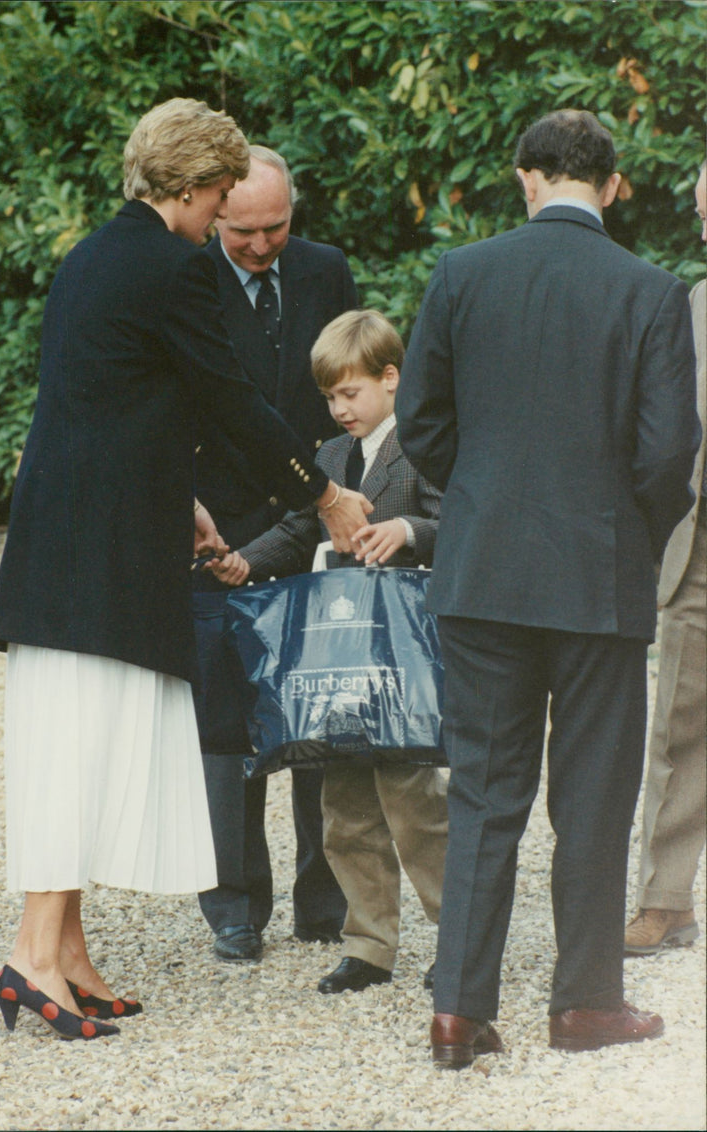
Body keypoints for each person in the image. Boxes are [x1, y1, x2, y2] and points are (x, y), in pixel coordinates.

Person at [0, 98, 371, 1041]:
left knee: (79, 737)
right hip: (101, 556)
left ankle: (68, 955)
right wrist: (323, 496)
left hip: (75, 537)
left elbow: (101, 402)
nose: (220, 219)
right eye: (220, 199)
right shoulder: (171, 268)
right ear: (197, 188)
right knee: (76, 748)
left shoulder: (94, 255)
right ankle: (35, 958)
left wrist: (181, 498)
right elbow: (229, 401)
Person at [396, 109, 700, 1068]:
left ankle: (459, 1012)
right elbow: (668, 452)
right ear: (610, 186)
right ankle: (583, 1005)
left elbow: (421, 424)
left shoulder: (460, 275)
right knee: (596, 795)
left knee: (485, 792)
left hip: (482, 571)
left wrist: (479, 501)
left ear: (526, 177)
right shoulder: (650, 291)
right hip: (599, 578)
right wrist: (629, 534)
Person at [213, 309, 449, 994]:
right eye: (330, 397)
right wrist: (243, 563)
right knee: (343, 802)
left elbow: (455, 517)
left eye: (351, 393)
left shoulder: (424, 447)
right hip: (339, 653)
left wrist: (407, 529)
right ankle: (369, 943)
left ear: (390, 377)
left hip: (401, 650)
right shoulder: (327, 458)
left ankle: (457, 934)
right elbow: (296, 528)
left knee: (414, 799)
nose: (340, 408)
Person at [191, 146, 358, 964]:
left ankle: (324, 899)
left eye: (277, 228)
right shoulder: (185, 276)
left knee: (322, 720)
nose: (262, 247)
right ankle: (234, 904)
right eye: (244, 231)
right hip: (216, 531)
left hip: (313, 528)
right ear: (216, 213)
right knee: (226, 726)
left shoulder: (326, 269)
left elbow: (353, 387)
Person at [625, 162, 707, 956]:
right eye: (701, 213)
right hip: (697, 547)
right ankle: (665, 898)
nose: (705, 229)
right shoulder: (696, 300)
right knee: (677, 731)